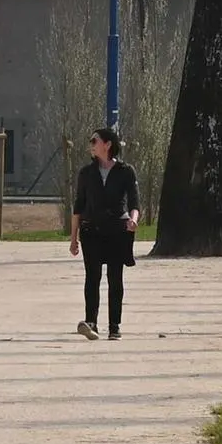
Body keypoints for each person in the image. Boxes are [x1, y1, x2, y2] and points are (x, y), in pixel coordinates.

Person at [71, 126, 140, 340]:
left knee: (115, 277)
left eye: (94, 141)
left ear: (107, 144)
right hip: (91, 230)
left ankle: (114, 325)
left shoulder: (125, 171)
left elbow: (134, 202)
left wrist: (134, 220)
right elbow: (78, 207)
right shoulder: (86, 173)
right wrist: (74, 239)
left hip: (117, 230)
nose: (91, 145)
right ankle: (91, 322)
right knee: (92, 276)